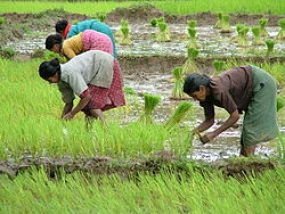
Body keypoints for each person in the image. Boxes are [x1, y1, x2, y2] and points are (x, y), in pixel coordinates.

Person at [183, 65, 278, 157]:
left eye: (195, 96)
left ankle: (249, 163)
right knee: (246, 134)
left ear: (202, 88)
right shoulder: (205, 97)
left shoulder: (218, 89)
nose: (195, 99)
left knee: (251, 128)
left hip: (261, 83)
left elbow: (235, 116)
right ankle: (245, 161)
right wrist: (192, 133)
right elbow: (209, 121)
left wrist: (213, 134)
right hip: (249, 88)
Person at [38, 50, 125, 124]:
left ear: (55, 74)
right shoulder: (60, 79)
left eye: (49, 80)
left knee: (92, 106)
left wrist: (72, 114)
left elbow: (86, 97)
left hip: (104, 64)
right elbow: (69, 102)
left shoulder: (69, 73)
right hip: (95, 69)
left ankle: (107, 132)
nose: (50, 83)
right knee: (88, 107)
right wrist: (62, 121)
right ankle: (88, 133)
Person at [45, 29, 114, 61]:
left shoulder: (65, 47)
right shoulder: (65, 46)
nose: (53, 52)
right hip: (101, 39)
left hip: (97, 41)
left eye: (52, 50)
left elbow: (76, 61)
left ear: (55, 45)